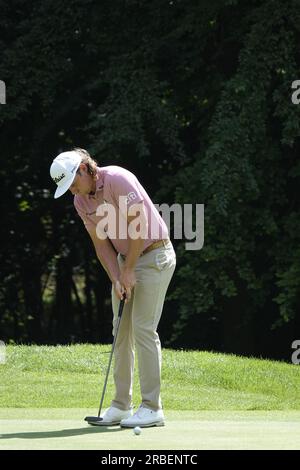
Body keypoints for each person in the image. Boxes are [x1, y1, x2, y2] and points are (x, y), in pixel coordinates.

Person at [49, 148, 176, 427]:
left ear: (84, 169)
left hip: (154, 255)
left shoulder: (118, 179)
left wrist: (129, 270)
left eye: (72, 182)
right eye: (67, 187)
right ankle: (121, 405)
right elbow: (100, 244)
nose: (72, 190)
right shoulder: (81, 202)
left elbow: (139, 226)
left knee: (143, 328)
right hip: (124, 260)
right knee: (120, 332)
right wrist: (117, 277)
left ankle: (152, 408)